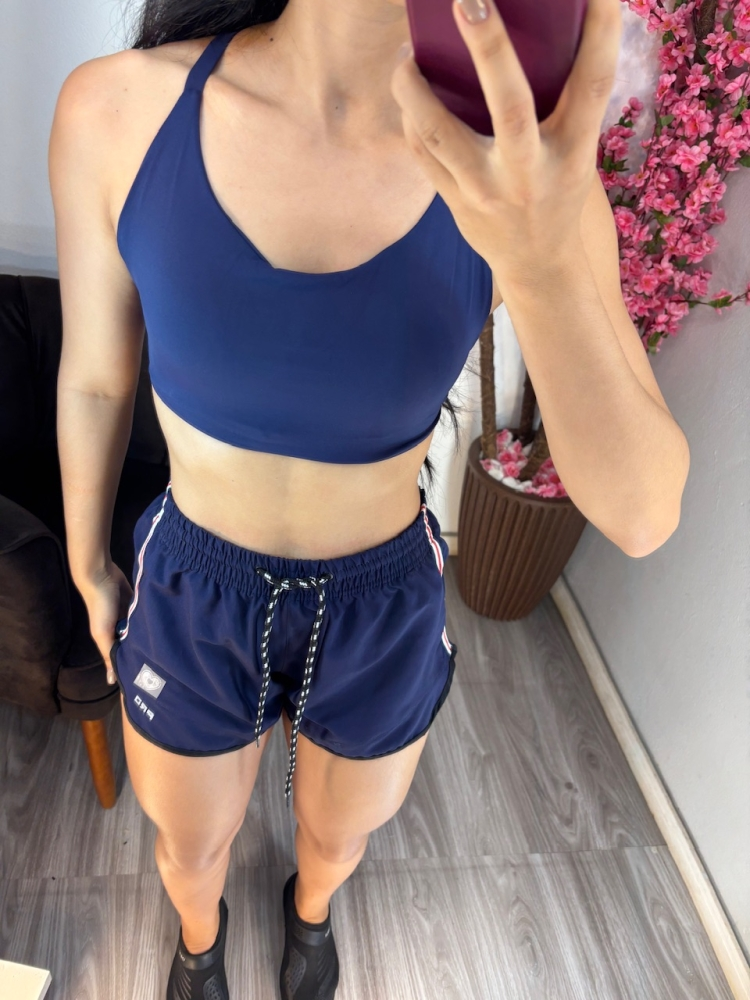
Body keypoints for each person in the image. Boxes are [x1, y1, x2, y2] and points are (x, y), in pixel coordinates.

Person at [49, 0, 687, 997]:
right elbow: (94, 379)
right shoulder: (117, 110)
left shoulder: (518, 172)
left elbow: (642, 513)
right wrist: (86, 560)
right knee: (190, 844)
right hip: (191, 583)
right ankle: (198, 945)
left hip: (382, 594)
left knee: (338, 838)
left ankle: (310, 918)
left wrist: (540, 258)